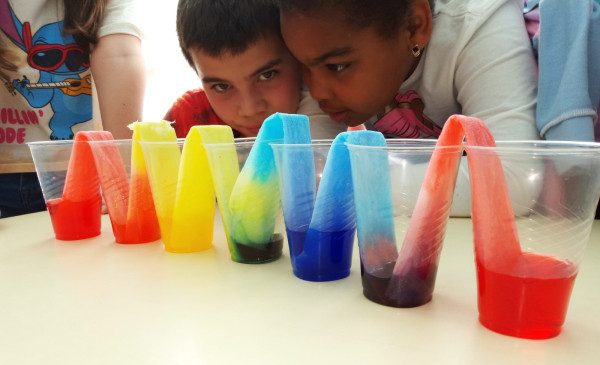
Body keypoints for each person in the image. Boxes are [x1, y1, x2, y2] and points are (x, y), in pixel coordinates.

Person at [277, 0, 540, 216]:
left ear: (414, 26)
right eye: (302, 67)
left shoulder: (478, 22)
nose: (316, 92)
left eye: (336, 66)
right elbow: (309, 169)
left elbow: (513, 177)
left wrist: (347, 187)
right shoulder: (315, 39)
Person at [0, 0, 146, 218]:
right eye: (47, 56)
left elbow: (120, 55)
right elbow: (40, 99)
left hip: (88, 170)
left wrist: (122, 173)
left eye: (74, 57)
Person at [164, 0, 346, 140]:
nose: (249, 109)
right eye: (222, 86)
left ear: (299, 58)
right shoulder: (186, 122)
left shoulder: (330, 104)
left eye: (267, 75)